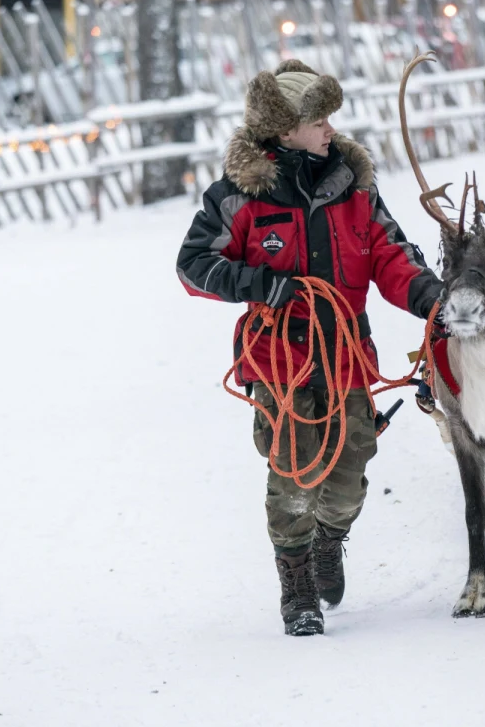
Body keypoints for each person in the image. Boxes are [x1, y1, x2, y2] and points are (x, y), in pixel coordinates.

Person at [176, 59, 441, 637]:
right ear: (285, 126)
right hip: (280, 362)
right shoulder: (239, 195)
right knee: (294, 477)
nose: (330, 130)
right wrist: (262, 284)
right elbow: (194, 267)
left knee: (348, 475)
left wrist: (432, 299)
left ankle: (330, 541)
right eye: (318, 120)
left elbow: (391, 256)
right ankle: (296, 586)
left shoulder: (355, 188)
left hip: (346, 356)